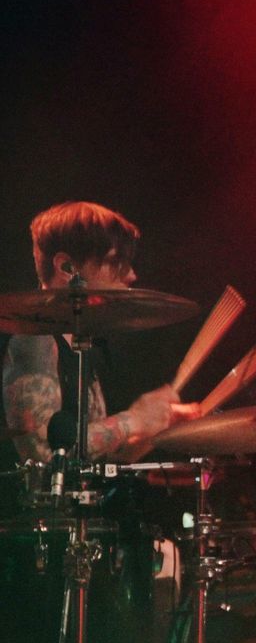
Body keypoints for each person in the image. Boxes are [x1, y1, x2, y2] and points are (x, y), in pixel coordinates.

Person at [1, 201, 197, 469]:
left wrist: (158, 428)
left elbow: (93, 459)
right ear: (67, 267)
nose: (131, 275)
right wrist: (135, 419)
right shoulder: (35, 341)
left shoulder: (82, 345)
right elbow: (42, 454)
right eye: (115, 261)